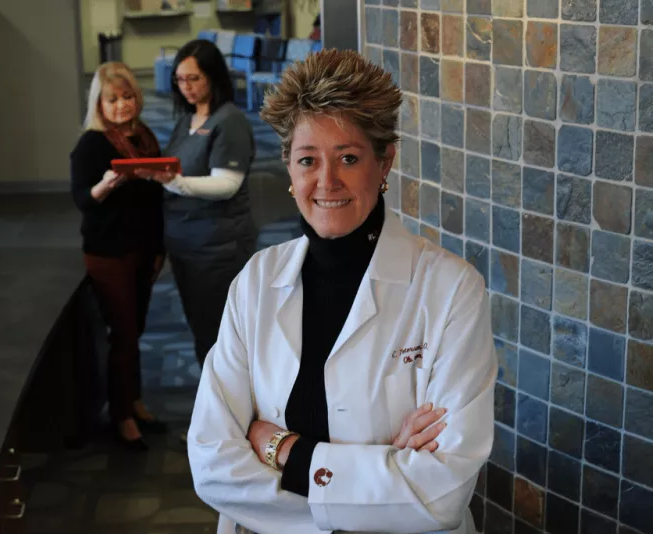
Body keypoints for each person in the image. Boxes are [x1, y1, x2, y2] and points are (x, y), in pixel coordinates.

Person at [186, 49, 497, 534]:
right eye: (307, 159)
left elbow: (441, 491)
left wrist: (281, 450)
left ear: (385, 162)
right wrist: (382, 475)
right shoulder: (256, 281)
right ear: (289, 169)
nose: (326, 182)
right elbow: (211, 462)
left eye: (348, 158)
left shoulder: (451, 290)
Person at [136, 39, 257, 371]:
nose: (185, 87)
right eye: (180, 79)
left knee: (221, 338)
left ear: (214, 77)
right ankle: (214, 407)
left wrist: (171, 181)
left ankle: (230, 416)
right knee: (202, 330)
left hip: (217, 247)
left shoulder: (229, 121)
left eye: (194, 79)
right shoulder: (188, 119)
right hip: (186, 243)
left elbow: (226, 185)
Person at [70, 62, 167, 451]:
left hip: (144, 249)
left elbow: (154, 198)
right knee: (123, 334)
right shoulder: (92, 144)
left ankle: (135, 401)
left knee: (136, 331)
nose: (123, 105)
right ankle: (122, 416)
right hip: (109, 252)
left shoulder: (144, 136)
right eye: (113, 99)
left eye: (128, 97)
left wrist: (159, 248)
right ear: (100, 104)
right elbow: (81, 200)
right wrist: (104, 187)